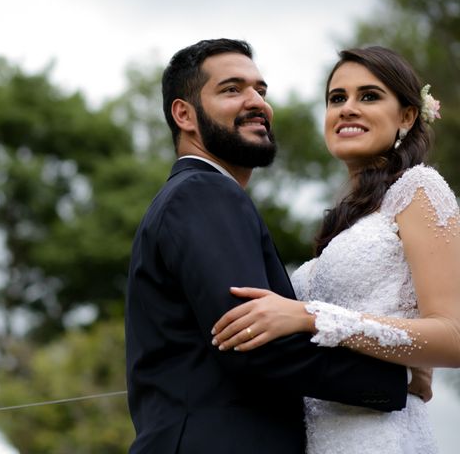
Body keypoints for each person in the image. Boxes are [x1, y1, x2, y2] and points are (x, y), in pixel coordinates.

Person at [125, 39, 413, 454]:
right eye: (231, 89)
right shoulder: (203, 192)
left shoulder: (195, 196)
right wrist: (392, 377)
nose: (256, 101)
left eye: (261, 90)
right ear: (184, 114)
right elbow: (251, 341)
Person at [211, 46, 459, 453]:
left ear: (407, 116)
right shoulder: (345, 221)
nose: (347, 108)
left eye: (369, 96)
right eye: (336, 98)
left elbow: (454, 336)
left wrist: (310, 315)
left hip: (381, 439)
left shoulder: (419, 191)